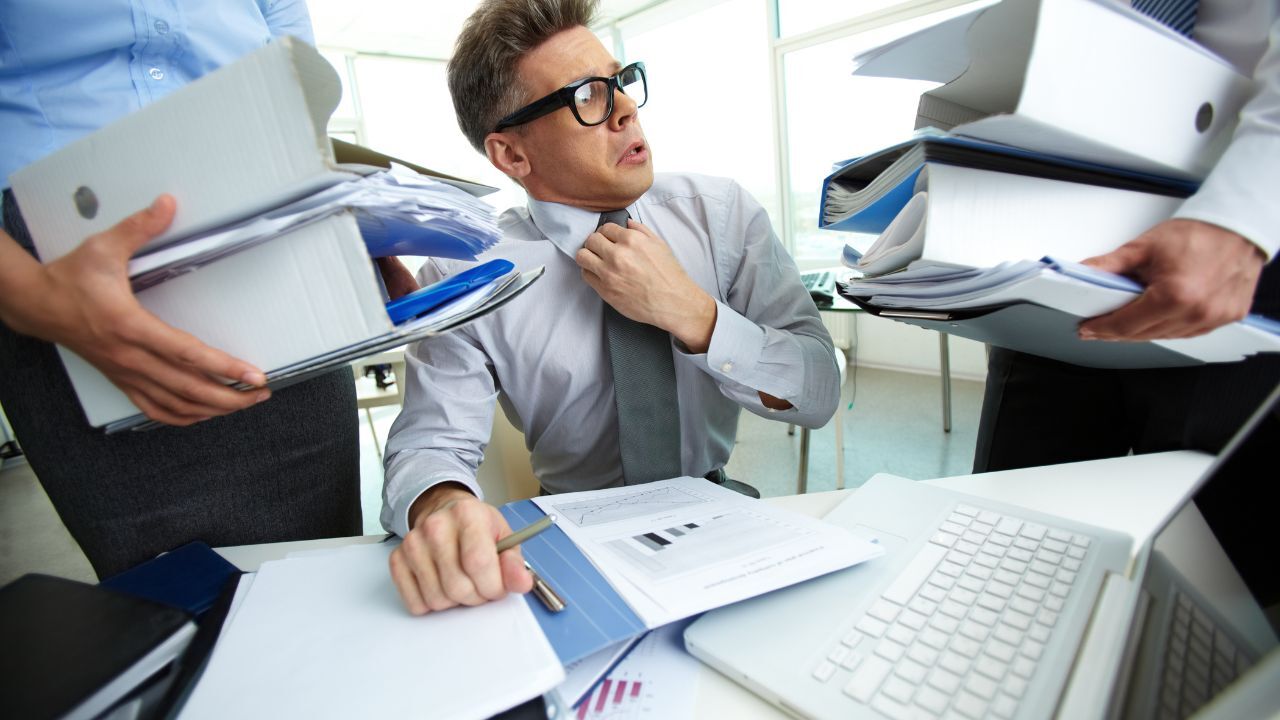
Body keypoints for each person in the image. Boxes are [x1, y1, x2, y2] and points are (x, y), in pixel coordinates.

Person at [382, 0, 841, 615]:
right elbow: (428, 446)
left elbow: (818, 393)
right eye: (587, 97)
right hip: (566, 549)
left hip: (727, 527)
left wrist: (695, 316)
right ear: (512, 156)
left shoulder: (721, 214)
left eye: (620, 82)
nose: (625, 107)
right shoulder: (465, 271)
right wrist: (443, 506)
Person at [0, 1, 414, 577]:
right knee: (167, 597)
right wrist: (29, 293)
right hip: (58, 262)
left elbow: (295, 84)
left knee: (322, 565)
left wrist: (351, 220)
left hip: (269, 240)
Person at [973, 0, 1280, 472]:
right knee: (1016, 509)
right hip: (1067, 249)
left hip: (1247, 247)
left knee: (1203, 526)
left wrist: (1242, 214)